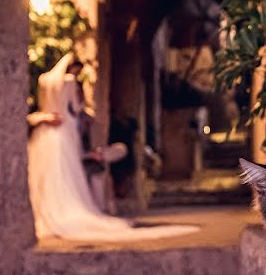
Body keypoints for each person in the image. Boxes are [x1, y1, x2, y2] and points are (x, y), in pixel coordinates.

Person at [27, 53, 199, 241]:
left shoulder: (44, 80)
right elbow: (75, 109)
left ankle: (50, 211)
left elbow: (44, 106)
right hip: (65, 128)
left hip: (46, 133)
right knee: (66, 175)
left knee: (52, 175)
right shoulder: (69, 82)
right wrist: (81, 102)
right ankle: (66, 211)